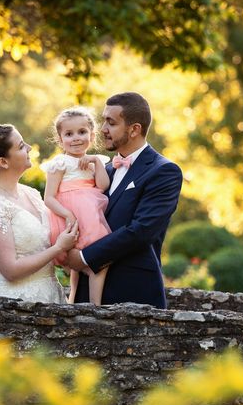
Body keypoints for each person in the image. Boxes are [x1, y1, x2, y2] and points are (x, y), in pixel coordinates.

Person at [67, 92, 183, 308]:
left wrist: (84, 257)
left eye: (111, 123)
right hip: (86, 291)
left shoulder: (164, 171)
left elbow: (141, 231)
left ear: (134, 129)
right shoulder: (103, 170)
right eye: (103, 121)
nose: (102, 129)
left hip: (133, 291)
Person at [0, 123, 79, 302]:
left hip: (49, 296)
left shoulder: (31, 193)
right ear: (3, 162)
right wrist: (58, 247)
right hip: (8, 302)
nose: (29, 147)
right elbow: (10, 270)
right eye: (20, 146)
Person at [40, 107, 111, 305]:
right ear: (60, 139)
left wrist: (96, 162)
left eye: (82, 132)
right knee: (93, 263)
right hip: (71, 217)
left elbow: (103, 186)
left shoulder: (95, 161)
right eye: (69, 134)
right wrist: (68, 214)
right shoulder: (60, 163)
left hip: (90, 213)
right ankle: (92, 305)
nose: (76, 138)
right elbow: (49, 198)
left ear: (92, 135)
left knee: (87, 260)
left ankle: (83, 303)